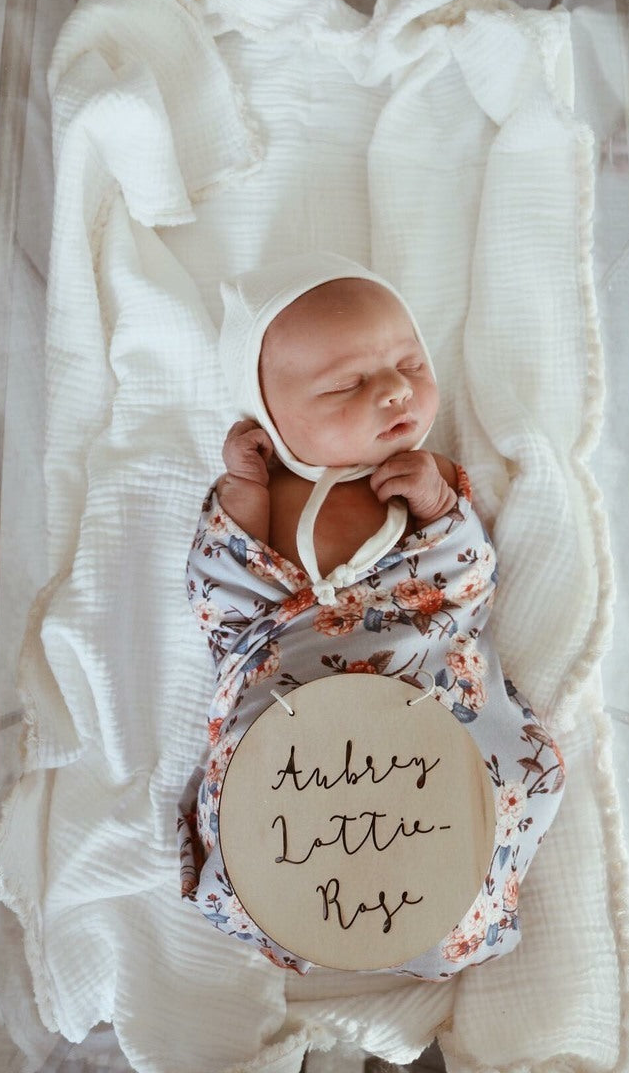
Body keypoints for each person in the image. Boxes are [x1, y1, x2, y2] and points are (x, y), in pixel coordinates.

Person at [177, 253, 565, 976]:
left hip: (423, 688)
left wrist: (441, 510)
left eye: (409, 364)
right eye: (346, 384)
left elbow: (465, 587)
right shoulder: (266, 492)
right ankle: (282, 904)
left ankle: (463, 901)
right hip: (294, 715)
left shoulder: (428, 479)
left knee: (512, 772)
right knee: (249, 801)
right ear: (267, 418)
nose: (394, 390)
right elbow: (223, 607)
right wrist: (240, 487)